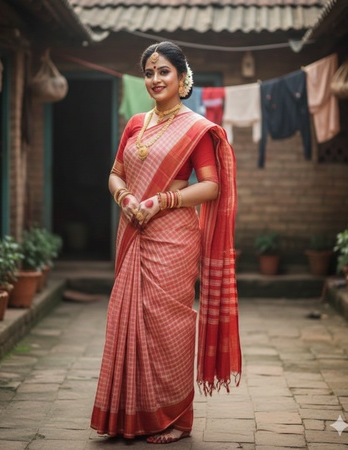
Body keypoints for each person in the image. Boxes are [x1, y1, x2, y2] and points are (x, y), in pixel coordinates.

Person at [90, 41, 242, 444]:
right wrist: (124, 197)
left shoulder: (196, 129)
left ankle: (176, 418)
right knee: (127, 319)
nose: (155, 80)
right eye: (149, 72)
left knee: (166, 324)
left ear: (182, 77)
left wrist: (163, 200)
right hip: (133, 228)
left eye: (163, 72)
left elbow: (211, 186)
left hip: (172, 236)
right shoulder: (136, 123)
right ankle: (130, 414)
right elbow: (115, 172)